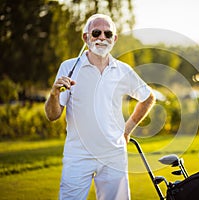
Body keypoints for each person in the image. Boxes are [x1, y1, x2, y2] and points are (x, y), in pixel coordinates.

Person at [45, 14, 156, 200]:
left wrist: (127, 130)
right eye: (96, 33)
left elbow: (148, 97)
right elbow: (52, 115)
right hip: (78, 156)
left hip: (113, 155)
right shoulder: (69, 67)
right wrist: (54, 95)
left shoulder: (123, 70)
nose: (102, 37)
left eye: (107, 33)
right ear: (85, 37)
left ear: (114, 38)